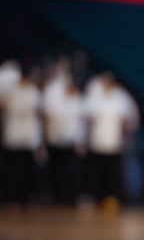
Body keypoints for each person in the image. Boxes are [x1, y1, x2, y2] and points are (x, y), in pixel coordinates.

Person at [84, 73, 139, 209]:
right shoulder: (94, 95)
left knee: (113, 175)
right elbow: (86, 119)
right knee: (95, 173)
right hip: (97, 142)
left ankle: (113, 198)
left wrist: (127, 138)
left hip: (114, 143)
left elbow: (131, 121)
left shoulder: (120, 96)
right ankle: (94, 198)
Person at [43, 65, 85, 205]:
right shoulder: (52, 89)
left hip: (69, 139)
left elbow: (79, 118)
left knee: (69, 171)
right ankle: (56, 197)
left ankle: (69, 197)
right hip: (56, 138)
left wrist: (80, 139)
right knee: (55, 170)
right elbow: (47, 115)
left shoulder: (74, 93)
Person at [2, 67, 42, 205]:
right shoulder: (18, 92)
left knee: (22, 170)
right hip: (17, 136)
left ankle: (20, 198)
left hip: (25, 136)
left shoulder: (29, 92)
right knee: (15, 170)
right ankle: (15, 197)